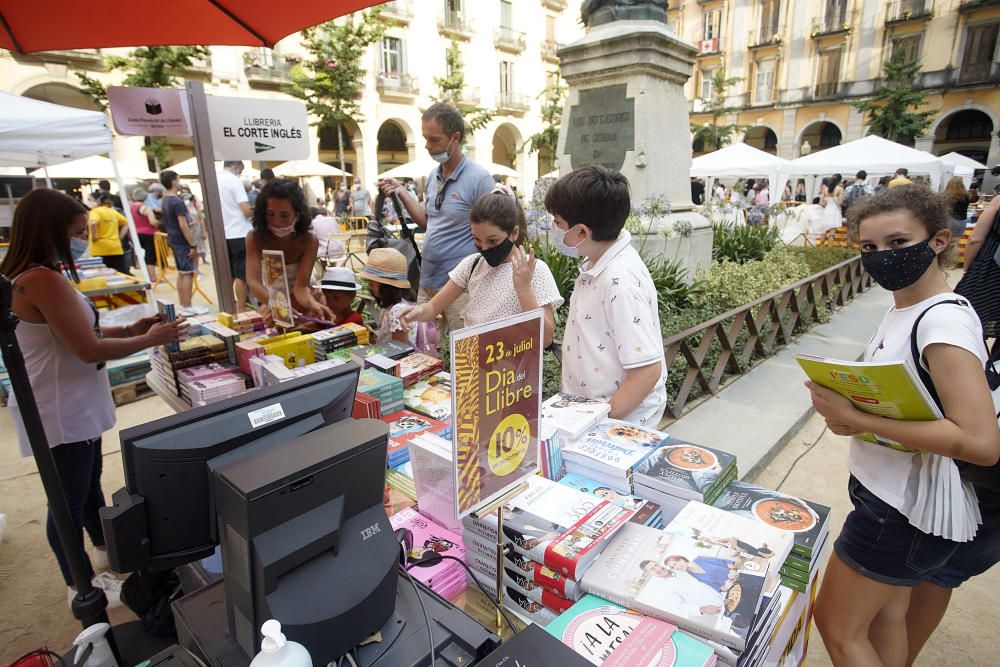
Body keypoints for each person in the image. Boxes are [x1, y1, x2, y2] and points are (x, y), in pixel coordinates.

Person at [806, 186, 1000, 667]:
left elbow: (979, 442)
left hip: (899, 512)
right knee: (886, 619)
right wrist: (859, 419)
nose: (882, 258)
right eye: (870, 248)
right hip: (893, 495)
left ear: (937, 240)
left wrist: (858, 417)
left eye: (897, 243)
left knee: (837, 626)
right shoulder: (907, 310)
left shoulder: (941, 323)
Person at [0, 189, 188, 609]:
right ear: (51, 230)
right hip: (60, 408)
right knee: (66, 501)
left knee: (85, 488)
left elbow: (80, 337)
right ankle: (80, 584)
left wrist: (134, 328)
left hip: (70, 403)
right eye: (77, 232)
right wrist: (150, 339)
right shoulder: (40, 280)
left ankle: (101, 549)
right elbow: (86, 350)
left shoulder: (36, 277)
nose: (82, 240)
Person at [544, 165, 667, 427]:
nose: (554, 230)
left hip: (616, 424)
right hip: (590, 412)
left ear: (582, 233)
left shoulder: (620, 281)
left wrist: (600, 419)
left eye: (558, 223)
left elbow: (647, 371)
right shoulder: (597, 262)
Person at [378, 103, 496, 338]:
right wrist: (401, 192)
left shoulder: (479, 179)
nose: (427, 146)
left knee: (465, 354)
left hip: (461, 288)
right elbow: (427, 223)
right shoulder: (434, 175)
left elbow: (492, 237)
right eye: (425, 139)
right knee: (424, 350)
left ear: (456, 138)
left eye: (434, 139)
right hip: (428, 281)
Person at [396, 185, 564, 347]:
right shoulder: (472, 265)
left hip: (515, 370)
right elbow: (433, 306)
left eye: (493, 240)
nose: (484, 248)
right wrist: (417, 312)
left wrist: (524, 288)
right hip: (474, 366)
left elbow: (546, 339)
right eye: (476, 239)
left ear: (514, 233)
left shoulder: (534, 269)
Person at [246, 179, 332, 323]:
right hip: (271, 301)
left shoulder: (309, 241)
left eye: (284, 215)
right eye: (270, 214)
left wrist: (312, 303)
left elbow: (301, 287)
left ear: (297, 214)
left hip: (303, 303)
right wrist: (275, 303)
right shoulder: (254, 238)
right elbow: (253, 281)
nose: (277, 221)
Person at [159, 170, 206, 316]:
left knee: (182, 273)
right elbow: (183, 225)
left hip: (173, 239)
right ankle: (187, 306)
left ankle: (184, 305)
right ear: (174, 181)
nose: (180, 184)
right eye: (178, 180)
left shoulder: (165, 199)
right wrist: (192, 245)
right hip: (181, 241)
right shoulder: (176, 201)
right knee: (187, 273)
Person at [955, 194, 1000, 345]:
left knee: (967, 322)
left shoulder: (998, 200)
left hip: (990, 270)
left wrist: (967, 268)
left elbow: (976, 239)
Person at [358, 247, 418, 345]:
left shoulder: (397, 311)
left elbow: (400, 350)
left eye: (372, 282)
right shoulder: (394, 305)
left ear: (387, 286)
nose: (369, 286)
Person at [218, 160, 254, 310]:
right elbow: (245, 210)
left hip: (222, 233)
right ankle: (241, 308)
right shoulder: (234, 180)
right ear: (235, 167)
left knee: (228, 273)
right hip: (239, 232)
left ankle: (228, 306)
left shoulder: (214, 179)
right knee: (242, 274)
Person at [87, 194, 130, 274]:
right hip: (115, 247)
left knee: (105, 275)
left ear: (98, 202)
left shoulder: (95, 211)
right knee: (120, 274)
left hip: (100, 248)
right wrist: (120, 237)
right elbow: (126, 224)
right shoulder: (113, 212)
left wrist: (94, 236)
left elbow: (93, 222)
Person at [129, 186, 159, 281]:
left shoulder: (131, 208)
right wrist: (159, 222)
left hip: (136, 234)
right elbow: (152, 222)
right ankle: (152, 277)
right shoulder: (145, 208)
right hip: (148, 234)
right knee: (150, 257)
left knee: (142, 255)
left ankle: (147, 276)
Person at [942, 176, 971, 240]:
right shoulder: (966, 196)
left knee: (947, 240)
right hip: (963, 221)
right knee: (957, 240)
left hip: (951, 220)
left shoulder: (946, 196)